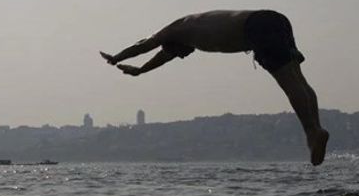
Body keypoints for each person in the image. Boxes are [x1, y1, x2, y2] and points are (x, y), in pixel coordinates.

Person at [100, 10, 329, 166]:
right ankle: (315, 128)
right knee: (298, 80)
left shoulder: (176, 29)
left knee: (289, 82)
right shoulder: (189, 32)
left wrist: (118, 56)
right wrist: (140, 71)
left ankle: (312, 132)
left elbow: (146, 44)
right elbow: (163, 56)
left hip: (256, 27)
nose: (184, 53)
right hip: (273, 20)